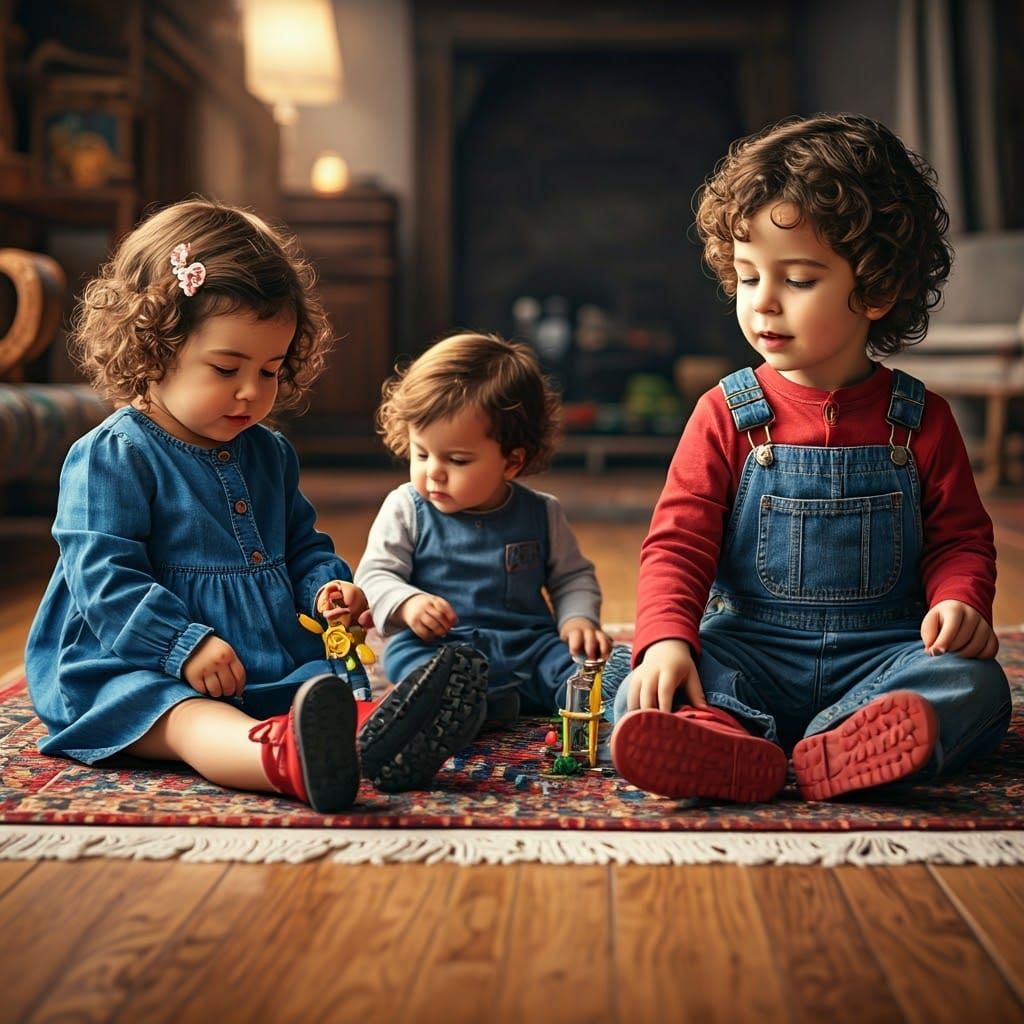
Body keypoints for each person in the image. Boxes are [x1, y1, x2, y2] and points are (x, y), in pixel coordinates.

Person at [24, 198, 485, 813]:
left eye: (270, 370)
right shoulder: (112, 455)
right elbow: (104, 582)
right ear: (152, 349)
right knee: (190, 720)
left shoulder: (267, 453)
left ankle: (373, 739)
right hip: (130, 662)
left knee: (318, 689)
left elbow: (300, 545)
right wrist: (182, 645)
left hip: (254, 657)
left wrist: (325, 589)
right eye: (225, 367)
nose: (251, 391)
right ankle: (282, 761)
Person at [610, 113, 1012, 803]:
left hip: (880, 657)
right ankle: (723, 737)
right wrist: (668, 642)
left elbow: (961, 540)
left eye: (796, 279)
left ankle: (852, 743)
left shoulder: (922, 421)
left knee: (978, 684)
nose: (762, 301)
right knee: (633, 677)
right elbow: (676, 546)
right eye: (746, 276)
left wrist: (959, 602)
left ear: (877, 290)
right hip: (751, 650)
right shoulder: (724, 413)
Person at [355, 332, 632, 762]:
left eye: (457, 460)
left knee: (595, 671)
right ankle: (449, 715)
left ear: (512, 460)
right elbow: (374, 575)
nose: (434, 474)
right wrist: (408, 604)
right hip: (443, 649)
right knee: (414, 671)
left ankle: (629, 717)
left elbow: (572, 576)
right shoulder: (406, 507)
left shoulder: (542, 513)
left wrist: (577, 620)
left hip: (528, 646)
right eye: (421, 454)